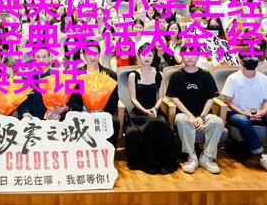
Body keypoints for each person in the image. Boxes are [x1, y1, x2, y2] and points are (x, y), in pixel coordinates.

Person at [221, 50, 267, 174]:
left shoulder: (263, 78)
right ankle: (261, 155)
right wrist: (243, 113)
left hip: (258, 112)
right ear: (241, 61)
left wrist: (263, 112)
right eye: (248, 57)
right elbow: (228, 101)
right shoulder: (233, 78)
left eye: (254, 57)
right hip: (237, 113)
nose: (252, 60)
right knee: (242, 120)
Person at [165, 48, 224, 174]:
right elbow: (175, 99)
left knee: (217, 121)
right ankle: (191, 156)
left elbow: (210, 98)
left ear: (198, 57)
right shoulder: (176, 76)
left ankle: (207, 157)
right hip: (185, 114)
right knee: (181, 119)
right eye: (186, 54)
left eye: (193, 54)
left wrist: (201, 117)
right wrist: (190, 116)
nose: (190, 57)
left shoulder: (206, 75)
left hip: (204, 114)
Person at [125, 44, 176, 174]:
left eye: (150, 55)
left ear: (154, 57)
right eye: (144, 55)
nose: (147, 58)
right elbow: (133, 99)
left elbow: (160, 97)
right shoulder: (133, 75)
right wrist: (145, 110)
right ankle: (150, 163)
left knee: (164, 126)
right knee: (153, 124)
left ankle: (163, 163)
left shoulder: (159, 74)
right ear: (139, 56)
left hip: (155, 110)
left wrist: (155, 108)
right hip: (139, 112)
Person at [68, 43, 120, 143]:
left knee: (114, 122)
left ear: (99, 54)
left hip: (103, 113)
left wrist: (103, 112)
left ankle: (107, 152)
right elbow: (73, 98)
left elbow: (114, 99)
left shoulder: (110, 74)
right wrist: (83, 112)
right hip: (82, 113)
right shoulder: (76, 74)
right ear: (84, 56)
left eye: (95, 53)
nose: (92, 57)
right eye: (89, 54)